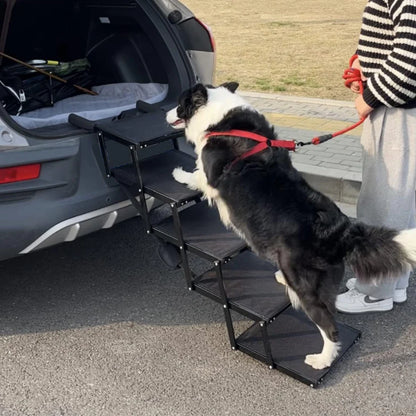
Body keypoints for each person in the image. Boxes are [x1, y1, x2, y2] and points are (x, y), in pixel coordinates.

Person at [335, 0, 416, 313]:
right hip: (401, 108)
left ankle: (375, 292)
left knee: (382, 205)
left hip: (396, 112)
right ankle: (394, 284)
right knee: (401, 207)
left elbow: (409, 57)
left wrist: (369, 97)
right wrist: (362, 62)